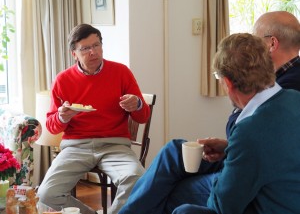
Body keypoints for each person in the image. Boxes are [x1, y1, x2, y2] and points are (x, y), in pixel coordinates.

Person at [119, 11, 300, 214]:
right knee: (174, 154)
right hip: (271, 181)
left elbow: (222, 206)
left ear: (228, 83)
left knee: (179, 201)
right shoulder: (293, 98)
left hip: (269, 199)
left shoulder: (250, 130)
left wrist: (234, 149)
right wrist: (229, 148)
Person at [37, 23, 150, 214]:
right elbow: (52, 126)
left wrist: (137, 105)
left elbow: (143, 115)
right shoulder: (63, 80)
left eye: (96, 45)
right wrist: (62, 117)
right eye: (86, 48)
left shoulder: (121, 72)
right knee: (46, 195)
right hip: (75, 146)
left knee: (138, 179)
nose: (93, 52)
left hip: (115, 145)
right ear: (74, 53)